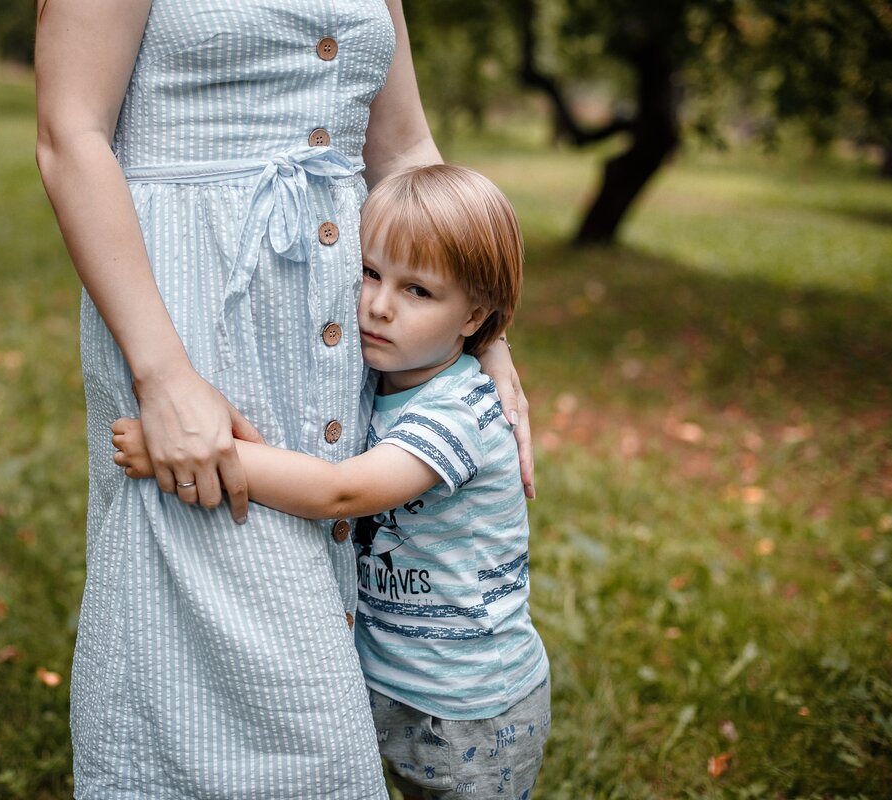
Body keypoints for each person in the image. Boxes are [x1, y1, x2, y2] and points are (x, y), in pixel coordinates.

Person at [35, 1, 535, 797]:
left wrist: (485, 338)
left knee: (313, 663)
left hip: (342, 350)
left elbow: (404, 146)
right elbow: (70, 134)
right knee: (229, 687)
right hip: (195, 331)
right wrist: (164, 375)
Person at [113, 164, 550, 800]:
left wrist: (187, 449)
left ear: (475, 315)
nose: (377, 304)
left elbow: (338, 492)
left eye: (418, 292)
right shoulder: (380, 383)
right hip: (390, 679)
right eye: (370, 273)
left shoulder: (457, 411)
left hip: (467, 708)